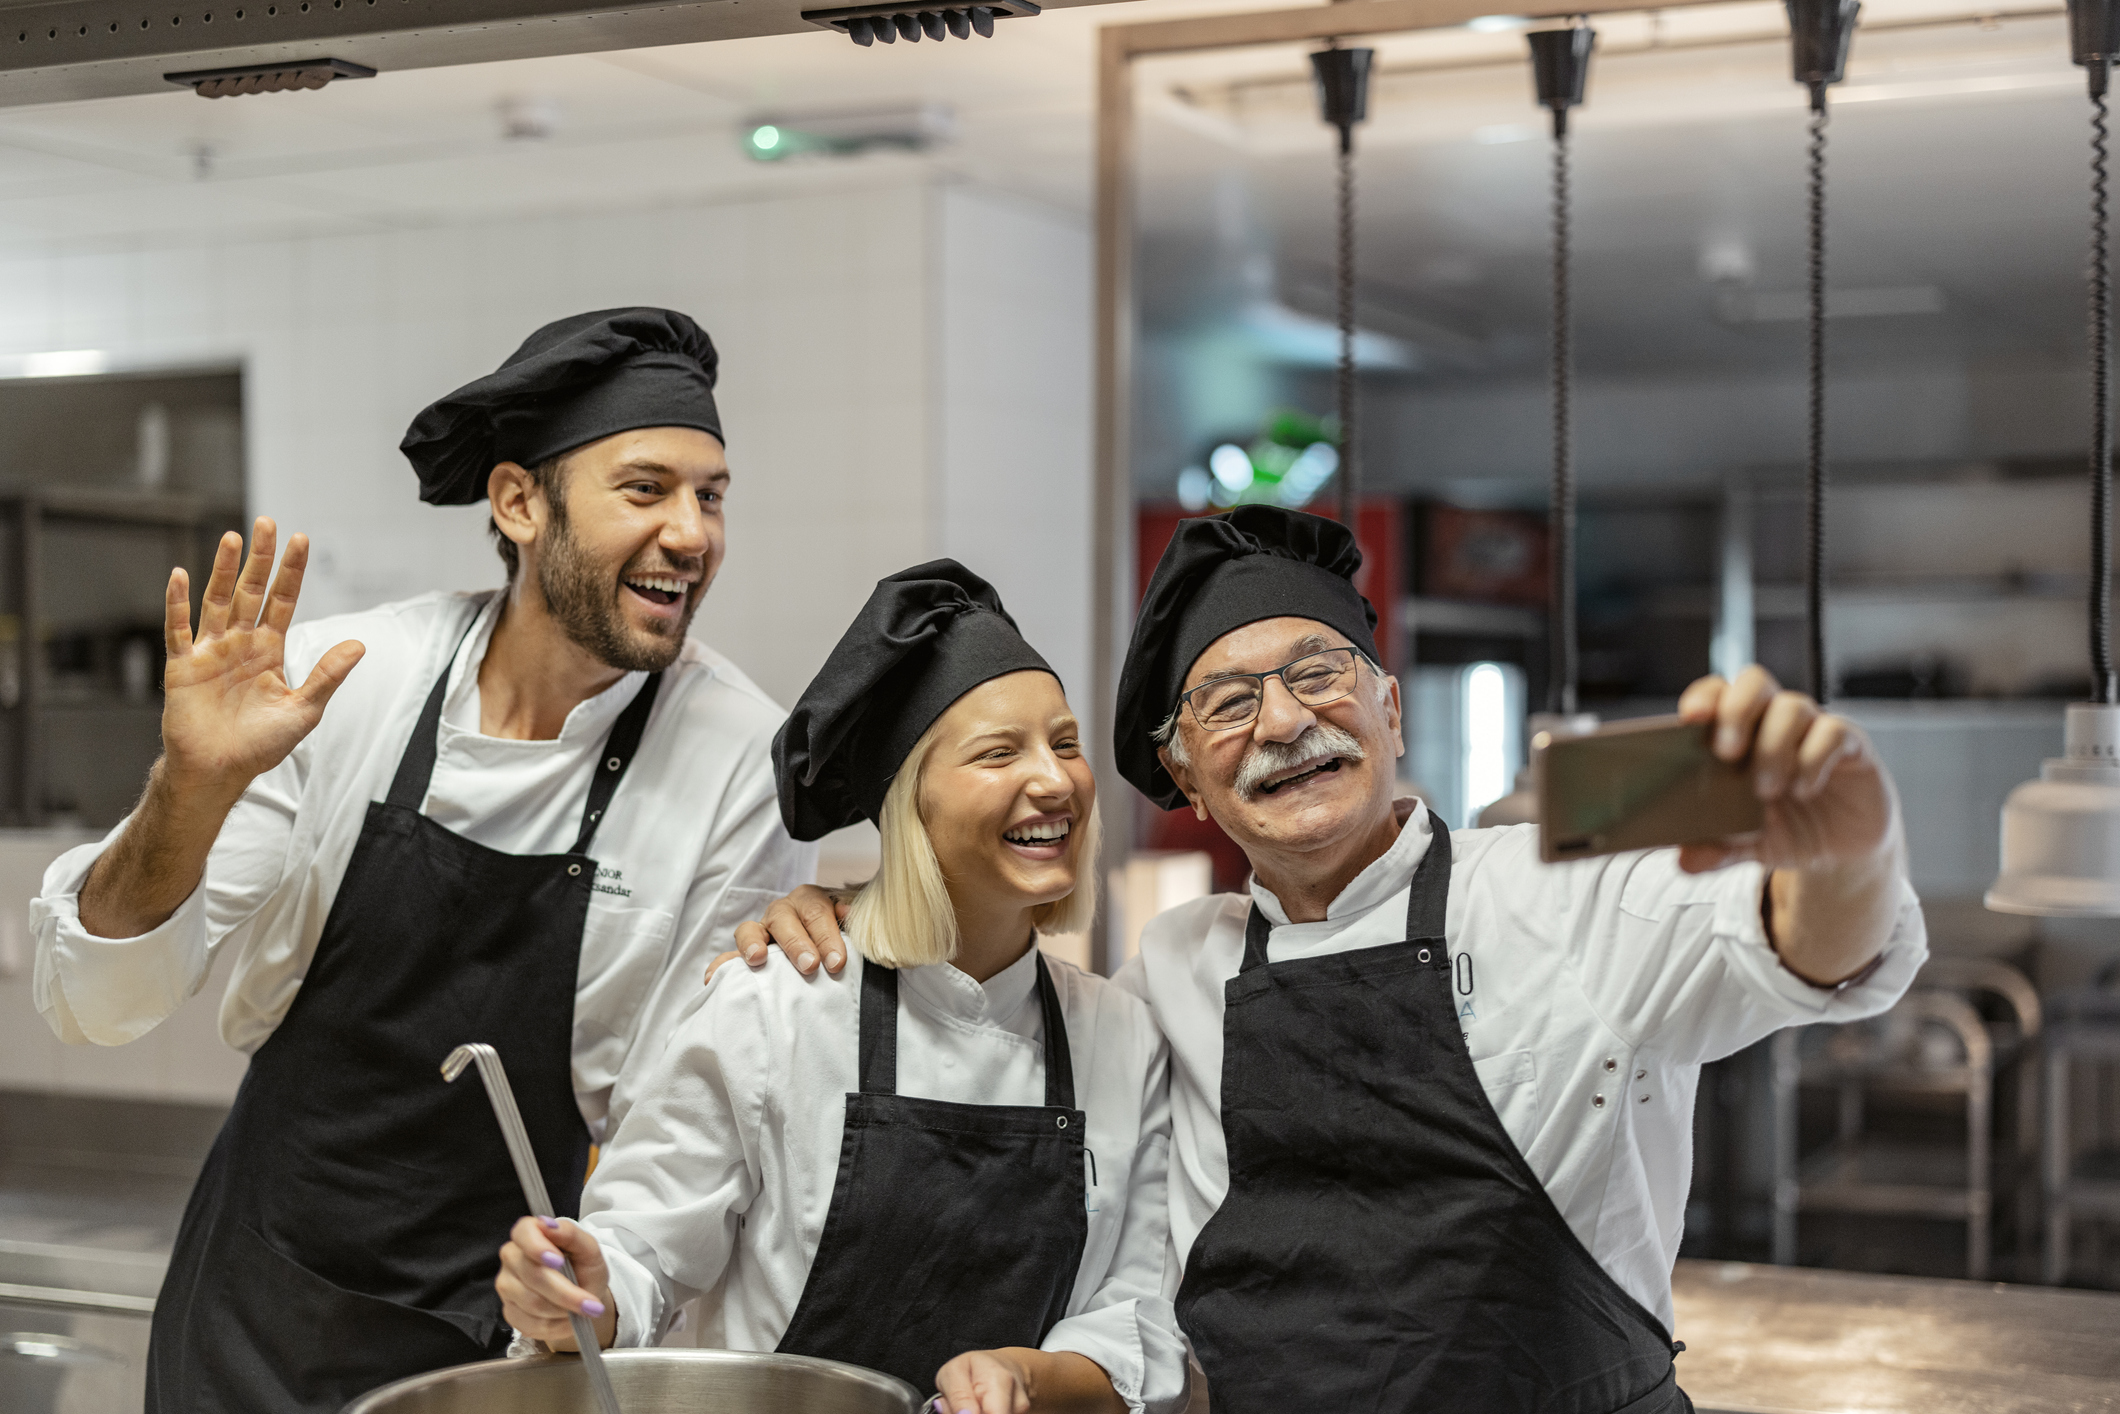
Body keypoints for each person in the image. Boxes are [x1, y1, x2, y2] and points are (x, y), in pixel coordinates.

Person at [750, 507, 1927, 1414]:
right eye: (1225, 703)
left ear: (1389, 710)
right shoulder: (1176, 962)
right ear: (1194, 790)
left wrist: (1847, 848)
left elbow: (1802, 945)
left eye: (1315, 673)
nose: (1278, 722)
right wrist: (851, 913)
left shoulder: (1559, 890)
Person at [29, 308, 814, 1413]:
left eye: (711, 494)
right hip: (249, 1311)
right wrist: (187, 793)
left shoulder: (736, 760)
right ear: (517, 502)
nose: (692, 532)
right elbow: (94, 1000)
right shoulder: (344, 682)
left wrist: (612, 1272)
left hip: (494, 1345)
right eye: (646, 489)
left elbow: (693, 1106)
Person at [495, 562, 1186, 1414]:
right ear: (912, 804)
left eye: (1065, 743)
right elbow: (646, 1251)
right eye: (998, 753)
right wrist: (581, 1287)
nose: (1054, 780)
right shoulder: (778, 1001)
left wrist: (1026, 1377)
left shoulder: (1122, 1036)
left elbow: (1133, 1318)